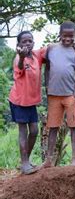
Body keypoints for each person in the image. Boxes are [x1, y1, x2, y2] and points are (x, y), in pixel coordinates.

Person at [43, 21, 75, 168]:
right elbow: (47, 68)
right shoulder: (51, 48)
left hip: (70, 95)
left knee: (73, 125)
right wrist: (47, 87)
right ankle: (48, 159)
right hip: (54, 94)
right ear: (60, 35)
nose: (68, 39)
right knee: (53, 126)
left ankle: (74, 158)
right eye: (65, 36)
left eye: (71, 36)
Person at [8, 31, 47, 174]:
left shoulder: (36, 55)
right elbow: (19, 66)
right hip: (19, 100)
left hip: (31, 102)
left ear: (34, 43)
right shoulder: (19, 58)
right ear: (18, 45)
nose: (27, 44)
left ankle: (25, 160)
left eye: (30, 41)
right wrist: (21, 57)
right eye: (24, 42)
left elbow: (49, 48)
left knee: (35, 131)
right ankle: (25, 164)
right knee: (23, 130)